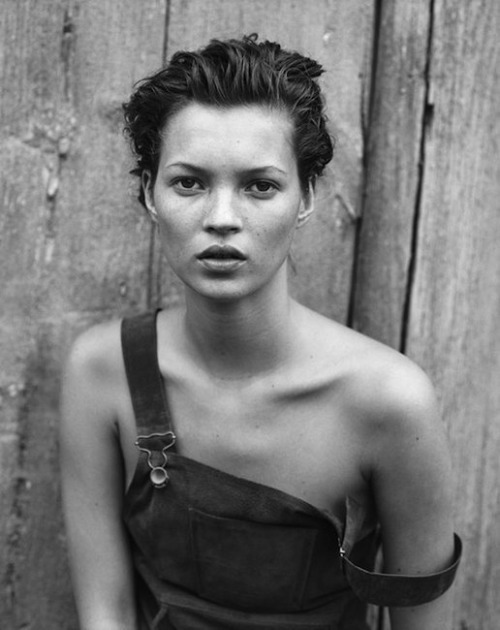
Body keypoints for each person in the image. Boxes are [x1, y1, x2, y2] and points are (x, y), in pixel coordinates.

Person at [60, 34, 461, 630]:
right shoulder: (104, 373)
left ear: (307, 197)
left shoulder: (392, 403)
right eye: (189, 182)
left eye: (260, 186)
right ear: (149, 193)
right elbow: (105, 613)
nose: (222, 219)